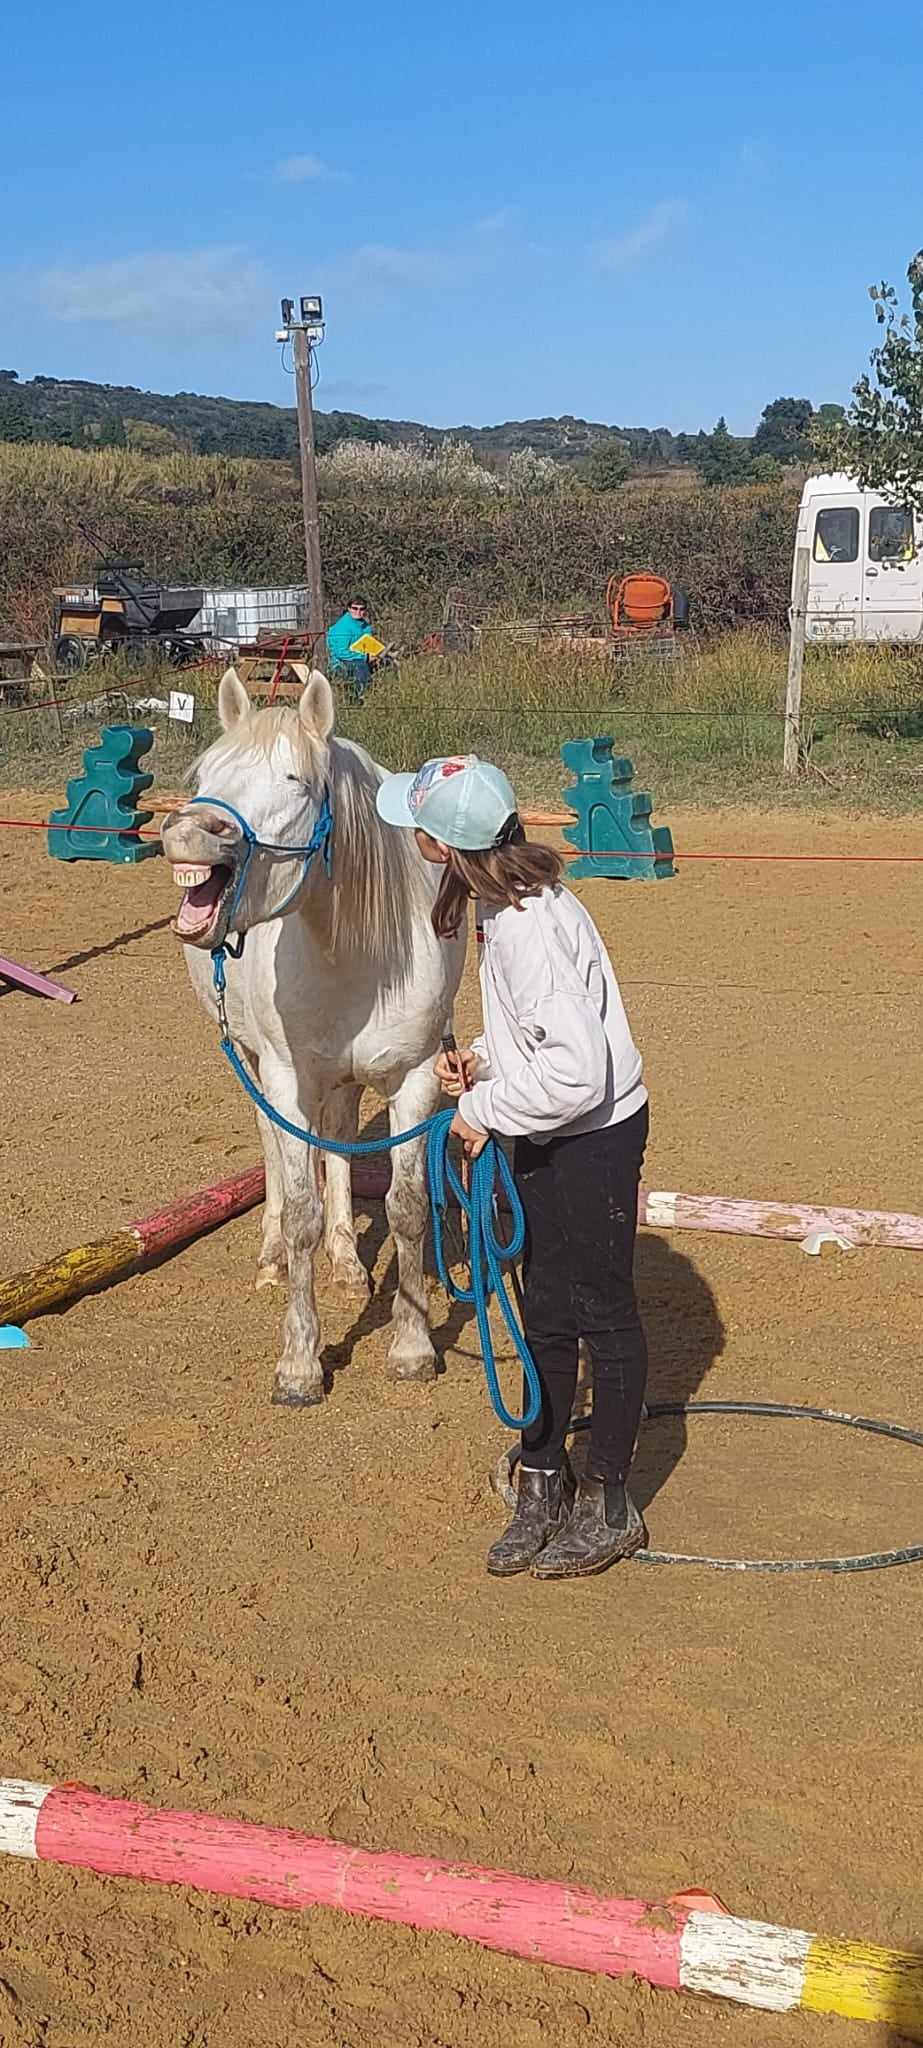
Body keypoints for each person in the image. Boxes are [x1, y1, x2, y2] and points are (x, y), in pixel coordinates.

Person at [375, 754, 650, 1581]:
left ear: (441, 843)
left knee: (598, 1310)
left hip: (591, 1137)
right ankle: (541, 1475)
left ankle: (607, 1499)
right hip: (553, 1130)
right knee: (546, 1311)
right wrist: (489, 1063)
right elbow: (545, 1042)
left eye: (415, 829)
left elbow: (577, 1075)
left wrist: (477, 1111)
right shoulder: (512, 905)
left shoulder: (526, 929)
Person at [326, 597, 374, 700]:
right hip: (340, 663)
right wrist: (364, 657)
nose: (358, 611)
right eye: (355, 608)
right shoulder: (342, 627)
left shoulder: (365, 626)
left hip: (360, 657)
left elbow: (369, 643)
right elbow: (341, 653)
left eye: (361, 609)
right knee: (360, 666)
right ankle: (361, 696)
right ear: (349, 608)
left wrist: (373, 654)